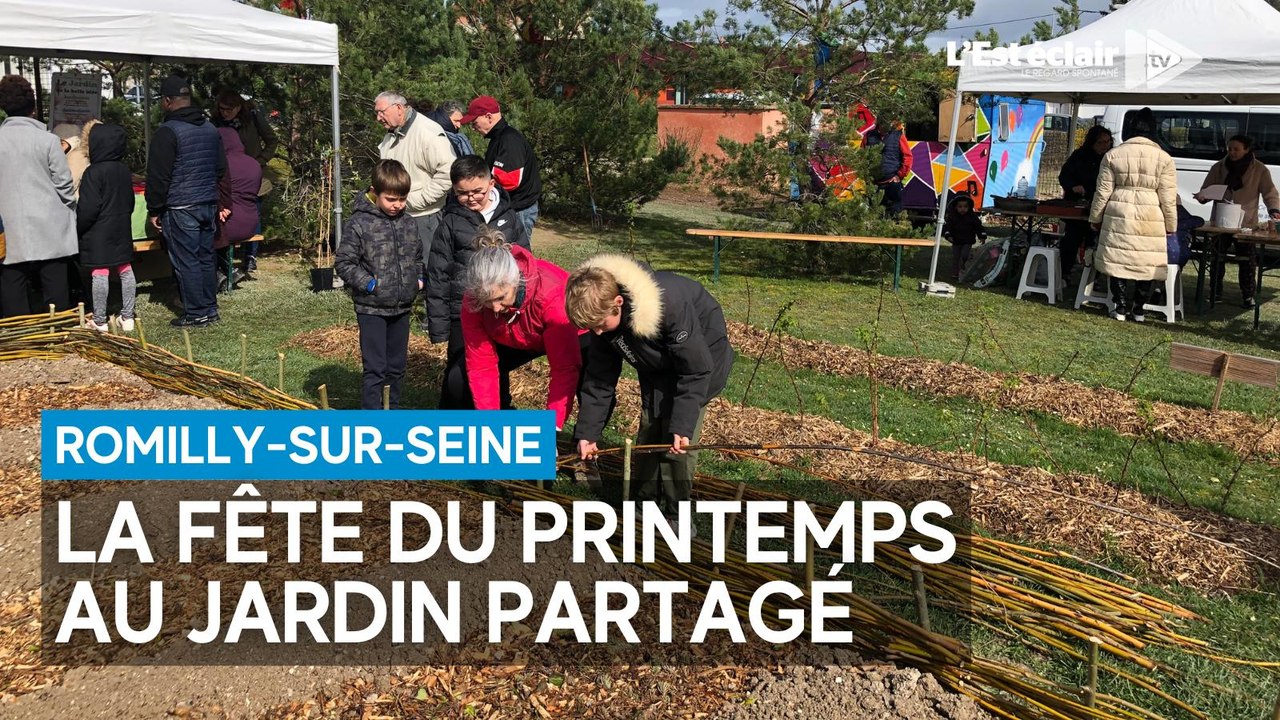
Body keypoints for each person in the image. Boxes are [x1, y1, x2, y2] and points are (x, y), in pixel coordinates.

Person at [568, 254, 735, 516]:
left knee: (676, 443)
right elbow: (599, 380)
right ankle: (643, 501)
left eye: (600, 326)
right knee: (650, 427)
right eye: (592, 328)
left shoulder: (669, 305)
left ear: (618, 303)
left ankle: (675, 513)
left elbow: (695, 369)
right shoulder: (603, 319)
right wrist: (588, 432)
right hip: (656, 361)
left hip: (702, 363)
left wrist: (682, 425)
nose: (598, 333)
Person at [428, 155, 531, 409]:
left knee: (498, 364)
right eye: (463, 193)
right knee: (459, 369)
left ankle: (500, 411)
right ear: (454, 190)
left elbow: (524, 260)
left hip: (500, 309)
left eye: (477, 191)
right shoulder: (451, 222)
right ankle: (452, 417)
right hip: (461, 312)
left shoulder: (510, 218)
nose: (471, 198)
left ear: (492, 184)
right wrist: (439, 324)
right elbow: (438, 273)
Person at [457, 228, 584, 429]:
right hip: (516, 334)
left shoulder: (551, 295)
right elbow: (481, 364)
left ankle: (580, 444)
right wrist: (489, 422)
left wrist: (552, 425)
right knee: (459, 376)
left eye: (501, 297)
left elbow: (564, 368)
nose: (496, 308)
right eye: (488, 302)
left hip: (569, 329)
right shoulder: (474, 301)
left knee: (586, 383)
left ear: (515, 281)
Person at [334, 159, 423, 410]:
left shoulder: (408, 223)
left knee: (397, 366)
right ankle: (371, 418)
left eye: (402, 199)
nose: (397, 206)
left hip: (402, 307)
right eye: (391, 199)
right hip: (371, 308)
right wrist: (371, 285)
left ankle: (391, 411)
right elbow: (344, 263)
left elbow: (417, 256)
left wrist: (418, 280)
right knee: (375, 368)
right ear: (375, 192)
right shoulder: (359, 223)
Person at [146, 74, 226, 328]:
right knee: (205, 257)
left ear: (168, 101)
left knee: (186, 260)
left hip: (180, 206)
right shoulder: (210, 128)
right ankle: (209, 308)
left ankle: (197, 312)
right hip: (207, 202)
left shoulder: (167, 132)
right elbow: (221, 169)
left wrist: (154, 208)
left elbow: (158, 176)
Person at [1088, 108, 1177, 323]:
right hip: (1151, 213)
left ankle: (1119, 307)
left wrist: (1095, 218)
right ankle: (1138, 309)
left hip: (1119, 210)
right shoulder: (1165, 159)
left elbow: (1102, 192)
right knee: (1146, 263)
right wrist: (1171, 224)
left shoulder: (1112, 155)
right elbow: (1168, 197)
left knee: (1117, 260)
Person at [0, 75, 78, 318]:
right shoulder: (48, 140)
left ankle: (19, 336)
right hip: (49, 222)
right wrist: (70, 207)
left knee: (12, 281)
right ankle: (58, 334)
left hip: (7, 224)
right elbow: (65, 185)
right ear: (33, 108)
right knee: (55, 283)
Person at [375, 91, 454, 291]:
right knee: (402, 269)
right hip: (398, 215)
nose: (378, 118)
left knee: (431, 273)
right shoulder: (392, 133)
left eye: (381, 112)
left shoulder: (427, 132)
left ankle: (432, 320)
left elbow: (448, 173)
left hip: (425, 218)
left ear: (399, 108)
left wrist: (416, 200)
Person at [1193, 134, 1280, 308]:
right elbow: (1206, 189)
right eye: (1229, 149)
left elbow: (1270, 193)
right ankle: (1215, 292)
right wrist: (1203, 196)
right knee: (1217, 258)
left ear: (1247, 150)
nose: (1231, 152)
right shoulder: (1219, 167)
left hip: (1246, 222)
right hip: (1221, 221)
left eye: (1236, 149)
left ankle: (1248, 296)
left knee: (1247, 260)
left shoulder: (1260, 169)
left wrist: (1274, 210)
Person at [76, 123, 136, 332]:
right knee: (125, 268)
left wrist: (79, 227)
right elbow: (130, 202)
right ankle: (128, 317)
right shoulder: (123, 170)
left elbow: (88, 208)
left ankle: (100, 320)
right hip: (121, 228)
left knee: (100, 272)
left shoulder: (93, 172)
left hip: (98, 231)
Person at [213, 89, 278, 274]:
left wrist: (260, 161)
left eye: (229, 109)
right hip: (225, 175)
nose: (225, 112)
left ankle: (250, 257)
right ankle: (224, 257)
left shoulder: (253, 118)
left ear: (239, 107)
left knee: (252, 210)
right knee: (224, 213)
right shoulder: (216, 123)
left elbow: (272, 140)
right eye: (222, 109)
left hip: (251, 174)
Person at [461, 96, 542, 240]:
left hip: (519, 209)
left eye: (475, 122)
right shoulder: (498, 138)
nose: (473, 128)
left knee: (516, 254)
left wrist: (480, 191)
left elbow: (508, 181)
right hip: (512, 207)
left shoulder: (509, 140)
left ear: (488, 117)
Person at [1058, 125, 1113, 280]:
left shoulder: (1111, 158)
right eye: (1101, 142)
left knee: (1095, 243)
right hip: (1077, 206)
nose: (1105, 145)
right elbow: (1064, 176)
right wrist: (1073, 187)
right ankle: (1065, 273)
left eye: (1107, 142)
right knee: (1071, 240)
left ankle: (1092, 278)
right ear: (1092, 143)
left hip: (1100, 208)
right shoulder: (1079, 156)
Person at [213, 127, 263, 291]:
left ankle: (217, 274)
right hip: (251, 222)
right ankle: (228, 270)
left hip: (228, 221)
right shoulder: (254, 163)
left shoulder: (221, 163)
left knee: (201, 232)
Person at [863, 118, 912, 216]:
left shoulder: (898, 136)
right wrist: (866, 177)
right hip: (874, 185)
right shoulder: (868, 136)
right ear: (879, 123)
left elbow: (908, 157)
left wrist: (899, 175)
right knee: (874, 217)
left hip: (892, 183)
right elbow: (862, 156)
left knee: (895, 217)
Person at [942, 195, 986, 281]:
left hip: (967, 240)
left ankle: (964, 269)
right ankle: (955, 272)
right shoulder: (952, 217)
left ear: (969, 207)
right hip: (956, 240)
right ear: (955, 207)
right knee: (956, 257)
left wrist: (982, 236)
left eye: (965, 207)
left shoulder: (972, 217)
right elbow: (948, 228)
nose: (963, 209)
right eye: (960, 207)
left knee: (965, 255)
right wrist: (948, 236)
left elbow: (978, 227)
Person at [53, 123, 90, 197]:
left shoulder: (77, 156)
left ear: (73, 142)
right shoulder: (72, 154)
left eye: (62, 143)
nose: (58, 147)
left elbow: (69, 185)